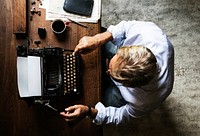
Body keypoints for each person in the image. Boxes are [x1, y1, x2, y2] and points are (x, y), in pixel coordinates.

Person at [60, 20, 174, 125]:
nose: (106, 71)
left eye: (111, 73)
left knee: (101, 101)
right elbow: (125, 27)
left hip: (123, 93)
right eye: (115, 57)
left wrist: (89, 111)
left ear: (129, 85)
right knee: (99, 32)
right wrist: (97, 39)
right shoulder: (150, 34)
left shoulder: (145, 101)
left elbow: (120, 116)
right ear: (128, 49)